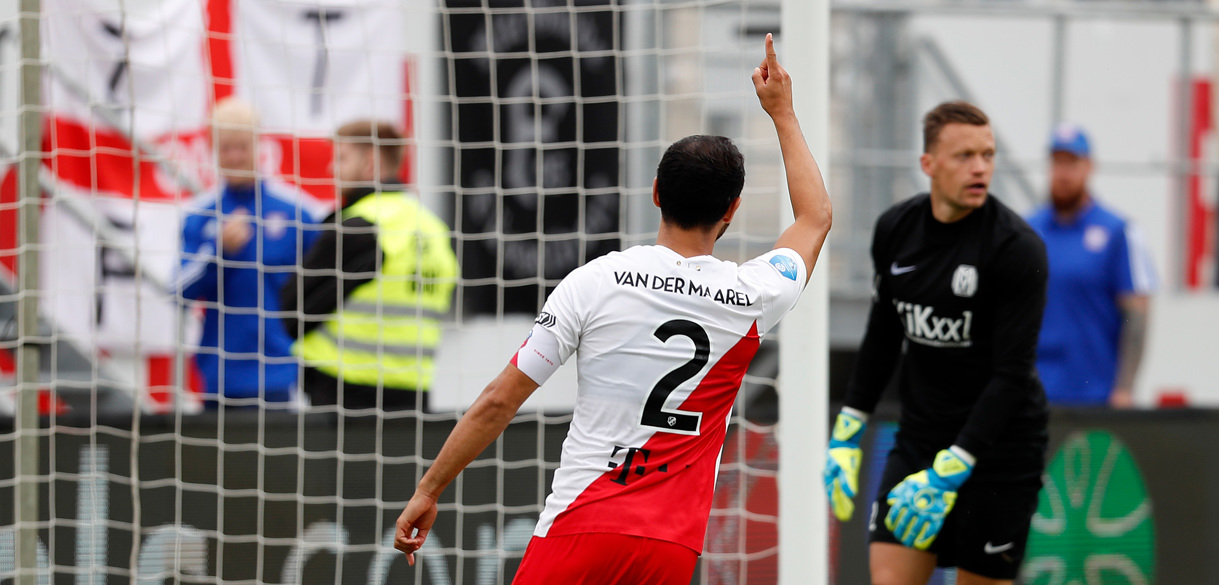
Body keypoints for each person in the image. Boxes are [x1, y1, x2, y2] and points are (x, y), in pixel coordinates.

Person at [392, 35, 831, 584]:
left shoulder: (594, 281)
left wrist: (428, 489)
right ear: (732, 210)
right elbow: (814, 217)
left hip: (580, 527)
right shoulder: (752, 296)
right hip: (670, 546)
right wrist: (782, 113)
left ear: (656, 192)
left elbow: (499, 400)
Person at [824, 101, 1049, 585]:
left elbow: (1012, 374)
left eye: (987, 155)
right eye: (965, 155)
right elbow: (883, 334)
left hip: (998, 452)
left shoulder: (1017, 248)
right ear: (928, 163)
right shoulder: (895, 229)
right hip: (919, 442)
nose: (980, 168)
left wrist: (956, 465)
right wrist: (848, 428)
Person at [280, 120, 459, 413]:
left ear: (370, 162)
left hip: (344, 388)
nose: (331, 169)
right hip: (413, 387)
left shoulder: (360, 225)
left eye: (341, 158)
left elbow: (293, 309)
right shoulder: (433, 228)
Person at [173, 98, 319, 408]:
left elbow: (321, 292)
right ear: (213, 150)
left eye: (242, 147)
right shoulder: (200, 215)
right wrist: (219, 253)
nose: (235, 156)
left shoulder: (296, 213)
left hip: (280, 375)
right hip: (220, 376)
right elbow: (177, 290)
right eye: (226, 148)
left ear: (258, 145)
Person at [1026, 123, 1155, 408]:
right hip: (1035, 394)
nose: (1063, 173)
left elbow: (1136, 313)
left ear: (1089, 167)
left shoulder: (1117, 232)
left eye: (1072, 163)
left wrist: (1125, 387)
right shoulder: (1028, 231)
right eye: (1057, 163)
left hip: (1094, 395)